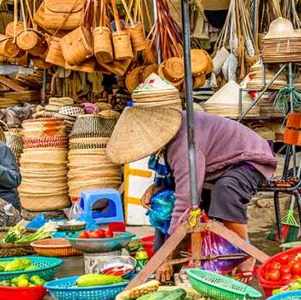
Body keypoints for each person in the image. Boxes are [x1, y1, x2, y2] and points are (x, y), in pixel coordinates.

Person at [106, 74, 276, 277]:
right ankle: (161, 265)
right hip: (215, 164)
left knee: (226, 190)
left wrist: (169, 257)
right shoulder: (167, 139)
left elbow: (186, 201)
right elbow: (170, 171)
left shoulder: (184, 144)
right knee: (164, 202)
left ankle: (246, 254)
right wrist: (157, 186)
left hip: (249, 159)